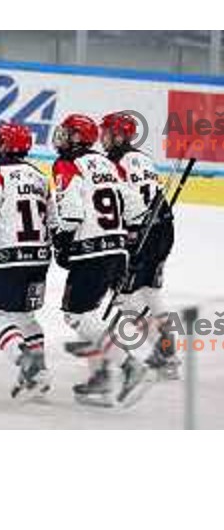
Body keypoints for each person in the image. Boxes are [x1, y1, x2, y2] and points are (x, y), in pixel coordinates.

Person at [50, 113, 149, 407]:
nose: (63, 137)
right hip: (117, 251)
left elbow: (70, 211)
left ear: (78, 138)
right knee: (90, 316)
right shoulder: (109, 164)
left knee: (77, 315)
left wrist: (62, 241)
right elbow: (136, 210)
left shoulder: (67, 164)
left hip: (91, 252)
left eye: (68, 133)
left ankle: (129, 364)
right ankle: (103, 377)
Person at [0, 122, 52, 398]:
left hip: (8, 258)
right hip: (40, 258)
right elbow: (53, 218)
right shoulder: (40, 176)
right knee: (26, 317)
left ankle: (25, 360)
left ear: (3, 145)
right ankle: (40, 373)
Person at [100, 111, 178, 378]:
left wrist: (129, 238)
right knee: (151, 290)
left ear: (119, 136)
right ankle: (168, 350)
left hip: (141, 233)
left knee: (124, 295)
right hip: (164, 229)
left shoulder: (112, 162)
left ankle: (159, 349)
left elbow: (129, 204)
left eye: (107, 132)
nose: (103, 137)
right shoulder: (143, 158)